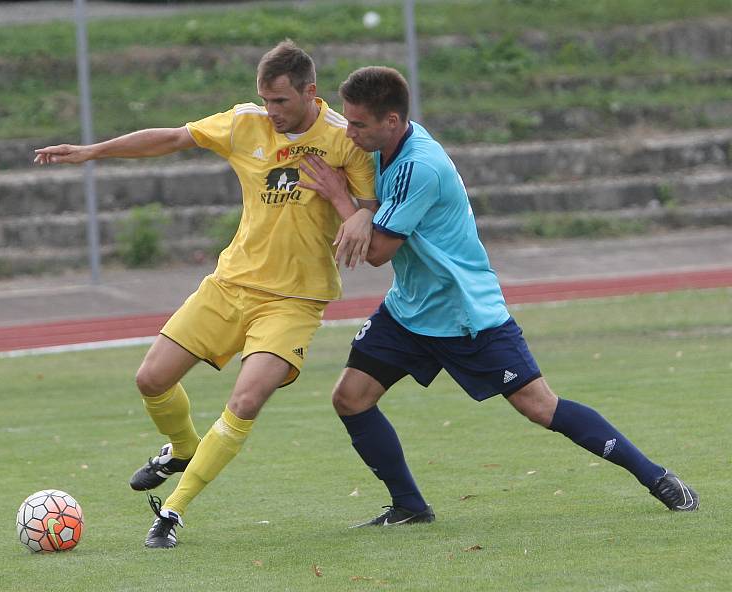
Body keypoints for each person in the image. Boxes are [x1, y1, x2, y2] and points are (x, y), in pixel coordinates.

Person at [302, 66, 699, 528]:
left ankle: (657, 478)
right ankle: (410, 506)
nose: (349, 133)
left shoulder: (418, 166)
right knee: (350, 397)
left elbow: (376, 253)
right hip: (410, 310)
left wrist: (339, 199)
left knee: (541, 407)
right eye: (347, 122)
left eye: (359, 124)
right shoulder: (386, 147)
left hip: (465, 313)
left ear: (391, 121)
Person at [34, 41, 377, 548]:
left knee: (246, 398)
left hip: (294, 301)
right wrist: (92, 151)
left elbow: (366, 216)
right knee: (151, 378)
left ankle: (172, 511)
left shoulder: (344, 139)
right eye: (265, 100)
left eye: (280, 102)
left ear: (310, 92)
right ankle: (182, 447)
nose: (271, 112)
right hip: (230, 284)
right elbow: (172, 138)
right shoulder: (245, 123)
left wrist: (343, 200)